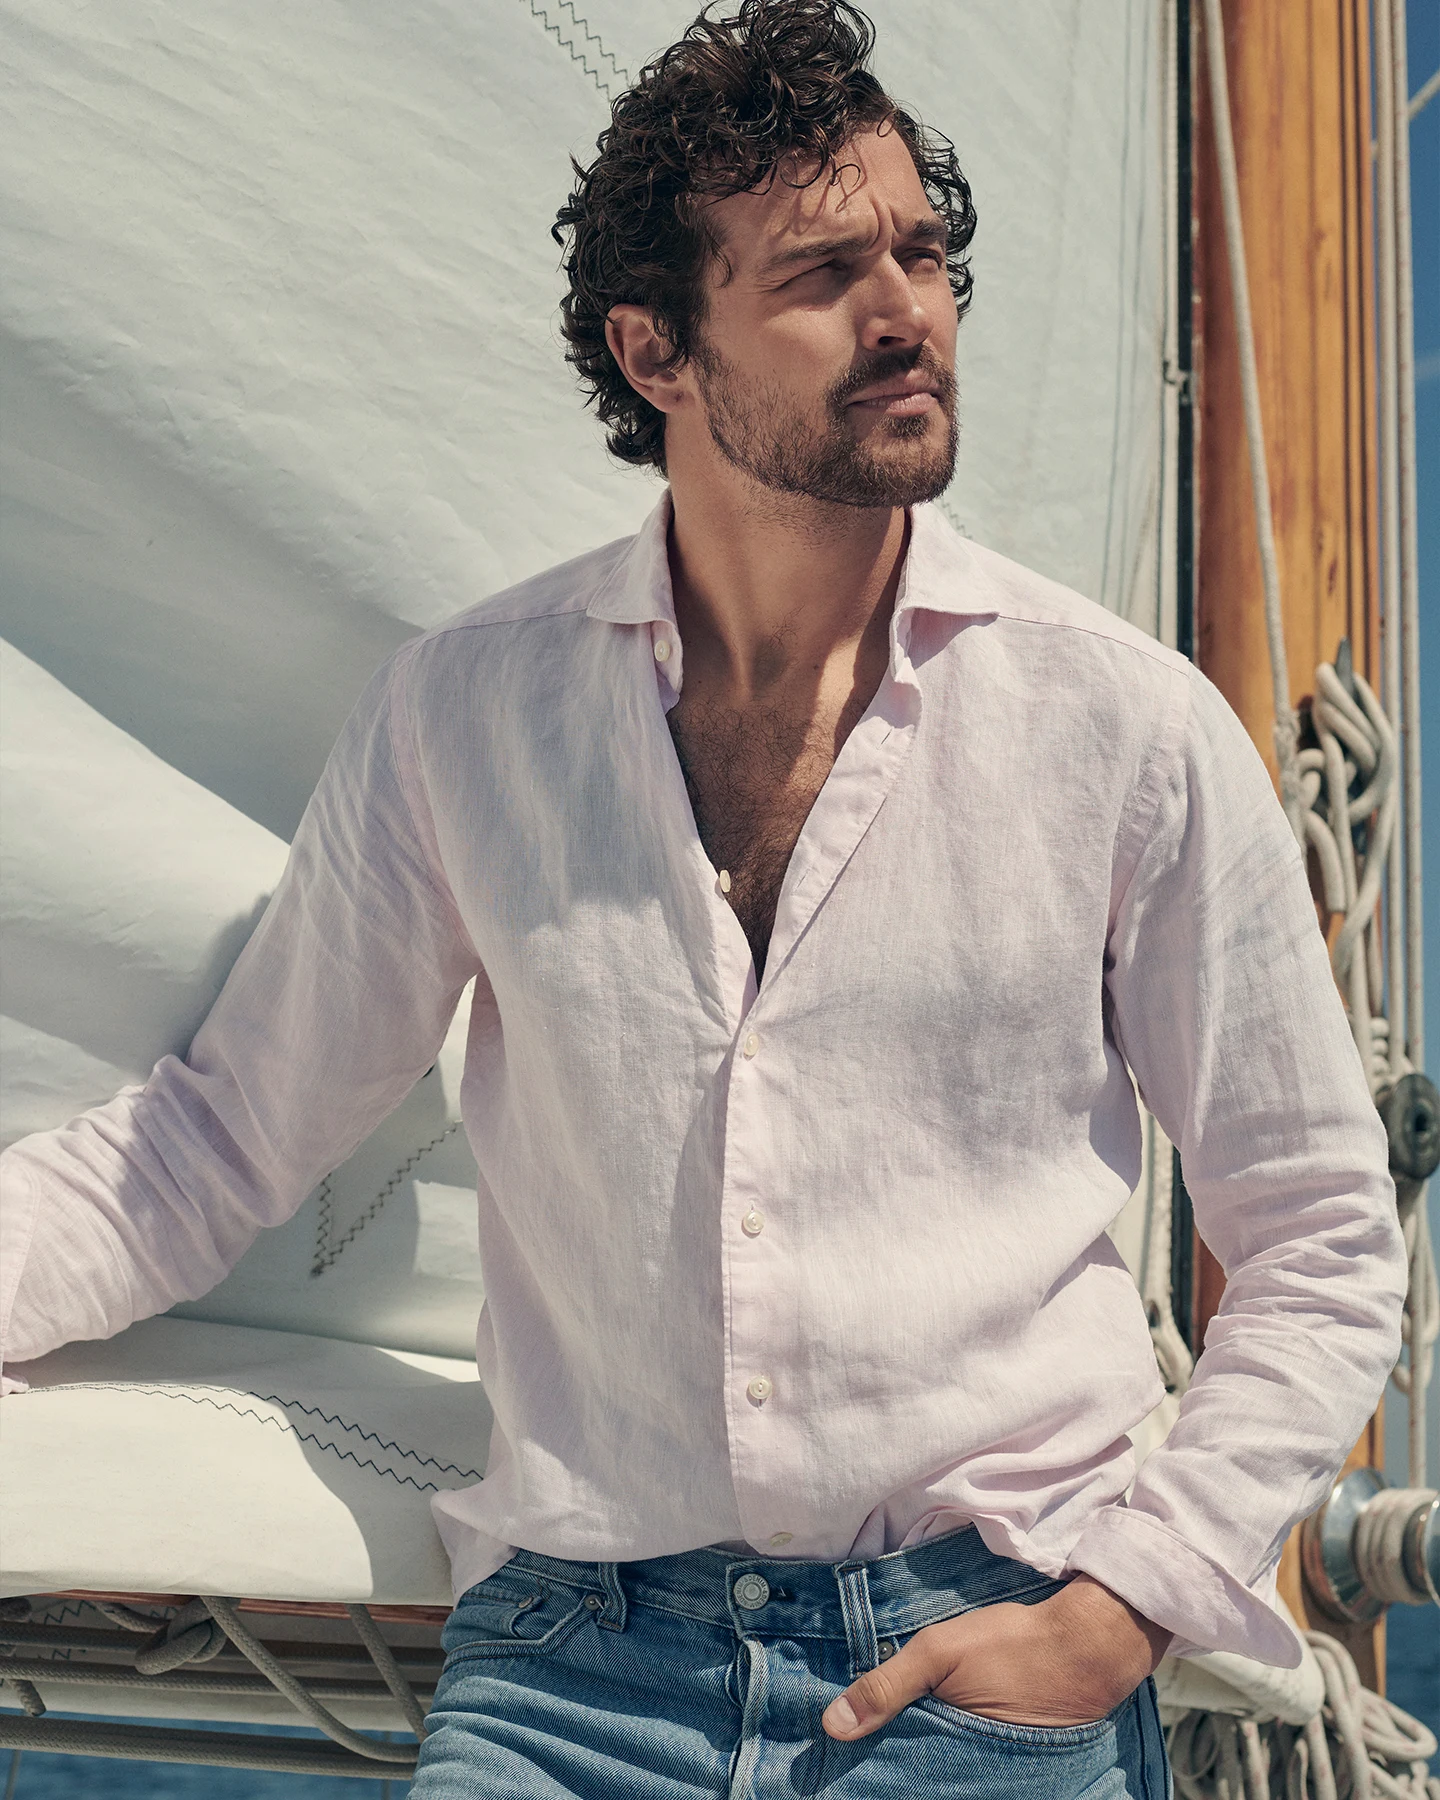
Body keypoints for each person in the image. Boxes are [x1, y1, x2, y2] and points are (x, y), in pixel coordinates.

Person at [0, 2, 1407, 1794]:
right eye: (825, 271)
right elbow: (216, 1145)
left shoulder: (1124, 728)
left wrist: (1125, 1606)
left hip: (984, 1662)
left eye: (923, 250)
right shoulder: (467, 716)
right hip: (570, 1668)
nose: (906, 310)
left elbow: (1319, 1233)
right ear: (657, 351)